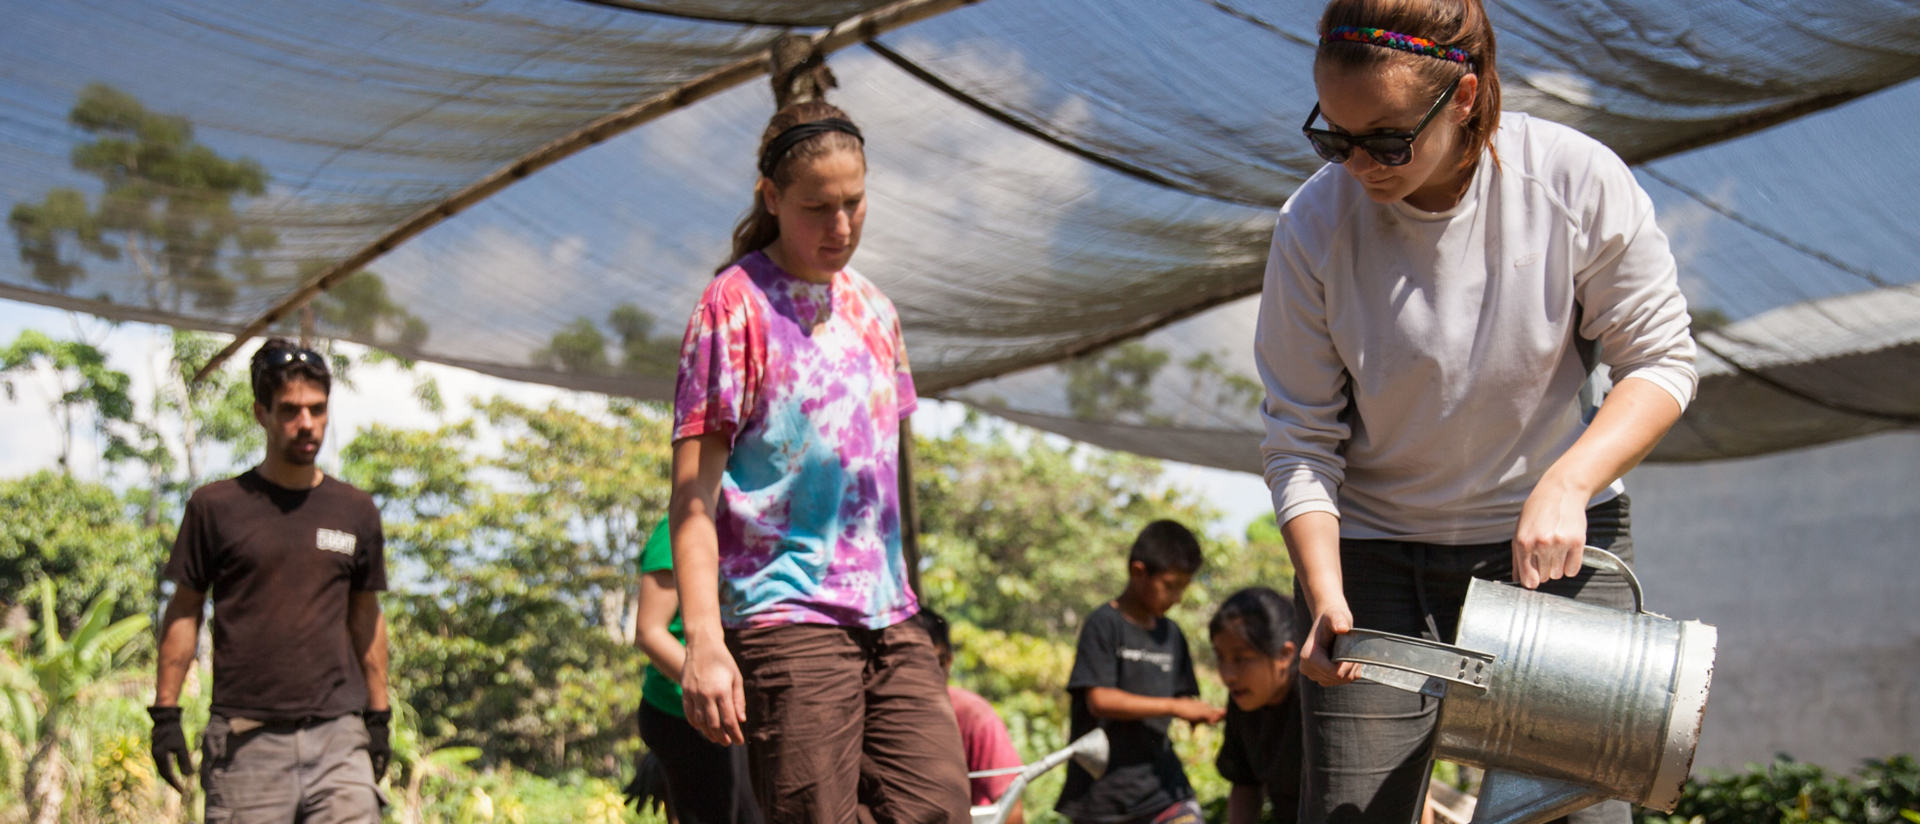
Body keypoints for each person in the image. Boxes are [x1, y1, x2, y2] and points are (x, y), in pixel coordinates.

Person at [1255, 0, 1698, 822]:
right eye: (1333, 138)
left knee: (1573, 808)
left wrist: (1569, 482)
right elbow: (1299, 438)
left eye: (1387, 140)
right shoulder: (1314, 225)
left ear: (1462, 98)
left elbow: (1661, 360)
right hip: (1375, 565)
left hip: (1555, 562)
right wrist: (1324, 592)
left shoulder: (1571, 180)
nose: (1359, 166)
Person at [667, 99, 971, 824]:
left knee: (938, 805)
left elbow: (890, 487)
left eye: (854, 203)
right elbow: (691, 499)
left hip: (891, 617)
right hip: (785, 617)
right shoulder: (733, 306)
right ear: (771, 199)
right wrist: (704, 641)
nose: (839, 227)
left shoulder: (875, 309)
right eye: (817, 207)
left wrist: (916, 605)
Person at [148, 339, 391, 821]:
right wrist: (165, 713)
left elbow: (366, 617)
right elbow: (185, 610)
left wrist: (379, 716)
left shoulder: (355, 511)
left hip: (339, 741)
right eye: (290, 410)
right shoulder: (216, 507)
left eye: (317, 409)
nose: (306, 424)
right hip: (247, 744)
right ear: (261, 413)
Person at [1055, 520, 1224, 824]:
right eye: (1170, 586)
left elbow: (1183, 696)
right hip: (1103, 795)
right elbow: (1100, 700)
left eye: (1183, 588)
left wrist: (1201, 712)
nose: (1177, 598)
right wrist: (1175, 707)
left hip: (1164, 787)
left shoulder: (1172, 635)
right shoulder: (1104, 624)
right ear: (1137, 572)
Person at [632, 519, 763, 824]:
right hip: (684, 713)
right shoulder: (679, 526)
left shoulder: (747, 524)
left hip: (731, 713)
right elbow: (649, 632)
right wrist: (717, 690)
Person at [918, 608, 1026, 824]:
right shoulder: (873, 717)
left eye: (928, 665)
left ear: (947, 660)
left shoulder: (973, 716)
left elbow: (1012, 811)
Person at [1209, 588, 1302, 824]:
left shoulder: (1315, 697)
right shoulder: (1242, 699)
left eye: (1241, 658)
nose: (1228, 675)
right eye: (1220, 657)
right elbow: (1245, 781)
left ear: (1284, 655)